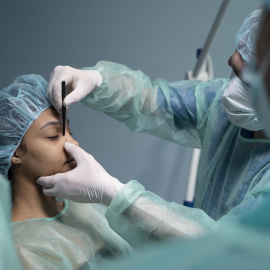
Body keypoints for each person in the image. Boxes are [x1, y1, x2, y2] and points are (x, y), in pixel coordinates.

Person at [38, 10, 270, 246]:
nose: (232, 91)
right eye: (233, 70)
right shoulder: (219, 107)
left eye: (247, 82)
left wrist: (113, 193)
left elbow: (225, 247)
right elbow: (149, 100)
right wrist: (97, 81)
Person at [0, 74, 134, 269]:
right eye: (53, 135)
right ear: (15, 153)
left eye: (69, 131)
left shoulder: (84, 204)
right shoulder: (24, 252)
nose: (73, 143)